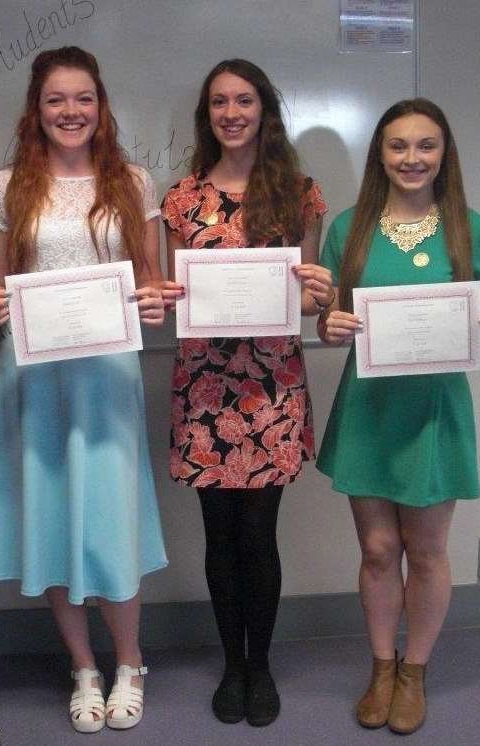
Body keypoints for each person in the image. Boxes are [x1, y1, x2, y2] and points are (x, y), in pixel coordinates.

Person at [0, 47, 167, 734]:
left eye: (83, 98)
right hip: (35, 377)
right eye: (57, 99)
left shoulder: (134, 183)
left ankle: (130, 663)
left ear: (101, 104)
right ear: (37, 108)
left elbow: (153, 283)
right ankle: (83, 667)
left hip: (107, 378)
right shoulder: (6, 186)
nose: (70, 112)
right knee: (52, 516)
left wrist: (152, 303)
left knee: (111, 519)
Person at [316, 97, 480, 735]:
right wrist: (331, 325)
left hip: (433, 408)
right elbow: (329, 322)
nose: (412, 158)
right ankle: (382, 665)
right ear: (380, 152)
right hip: (370, 406)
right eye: (398, 145)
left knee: (426, 553)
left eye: (425, 145)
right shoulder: (348, 227)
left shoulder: (468, 227)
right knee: (377, 549)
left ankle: (415, 672)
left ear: (443, 154)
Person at [159, 59, 333, 727]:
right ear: (206, 115)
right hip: (205, 390)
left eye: (244, 100)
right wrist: (169, 296)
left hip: (273, 389)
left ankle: (261, 666)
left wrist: (320, 294)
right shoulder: (179, 200)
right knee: (218, 534)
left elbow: (313, 296)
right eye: (219, 103)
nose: (232, 112)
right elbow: (171, 295)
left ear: (265, 109)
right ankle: (232, 663)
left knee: (259, 534)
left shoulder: (299, 193)